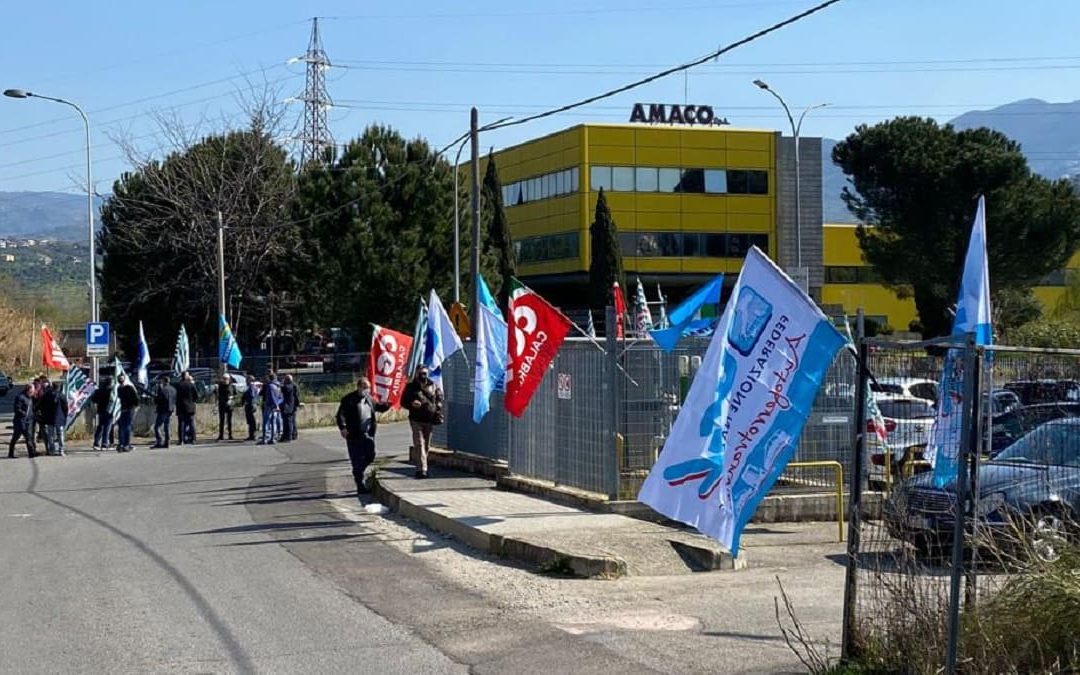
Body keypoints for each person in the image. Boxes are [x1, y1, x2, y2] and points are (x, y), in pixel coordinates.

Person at [336, 377, 390, 498]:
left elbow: (379, 408)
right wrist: (343, 428)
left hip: (368, 434)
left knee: (371, 456)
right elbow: (341, 415)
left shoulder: (370, 399)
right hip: (354, 434)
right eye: (365, 387)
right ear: (359, 387)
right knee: (356, 459)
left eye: (369, 387)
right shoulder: (349, 399)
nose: (367, 390)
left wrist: (388, 404)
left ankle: (358, 471)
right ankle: (360, 484)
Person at [401, 366, 443, 479]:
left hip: (429, 419)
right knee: (419, 444)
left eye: (425, 373)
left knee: (426, 445)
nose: (423, 376)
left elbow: (439, 397)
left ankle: (423, 465)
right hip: (416, 419)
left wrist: (438, 407)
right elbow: (403, 402)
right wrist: (411, 404)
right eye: (421, 373)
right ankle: (422, 469)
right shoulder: (411, 387)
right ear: (416, 373)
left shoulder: (433, 385)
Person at [8, 384, 37, 458]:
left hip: (28, 421)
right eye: (32, 391)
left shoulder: (30, 397)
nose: (33, 392)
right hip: (20, 421)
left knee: (29, 437)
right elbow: (17, 409)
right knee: (15, 437)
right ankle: (11, 453)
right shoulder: (20, 397)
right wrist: (23, 413)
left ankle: (32, 453)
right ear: (29, 390)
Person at [258, 372, 283, 445]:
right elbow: (281, 397)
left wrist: (275, 404)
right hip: (276, 406)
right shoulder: (278, 386)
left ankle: (265, 438)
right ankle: (273, 438)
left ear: (270, 378)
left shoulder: (270, 386)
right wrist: (278, 404)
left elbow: (272, 397)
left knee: (266, 422)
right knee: (274, 422)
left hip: (269, 405)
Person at [91, 377, 115, 451]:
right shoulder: (111, 391)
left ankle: (96, 443)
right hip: (109, 410)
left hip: (100, 410)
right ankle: (104, 443)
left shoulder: (99, 390)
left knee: (100, 427)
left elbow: (93, 399)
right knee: (107, 428)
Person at [117, 374, 139, 452]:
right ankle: (125, 444)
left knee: (123, 427)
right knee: (126, 427)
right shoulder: (127, 388)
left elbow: (135, 399)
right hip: (128, 409)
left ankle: (122, 444)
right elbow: (136, 399)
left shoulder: (121, 388)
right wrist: (135, 407)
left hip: (125, 409)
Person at [152, 375, 176, 449]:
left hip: (163, 410)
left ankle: (160, 441)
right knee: (167, 426)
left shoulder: (163, 390)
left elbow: (159, 400)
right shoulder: (173, 389)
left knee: (157, 426)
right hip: (170, 409)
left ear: (164, 381)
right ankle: (167, 441)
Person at [175, 372, 198, 445]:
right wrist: (192, 401)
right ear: (187, 376)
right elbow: (196, 396)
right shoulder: (191, 385)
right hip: (190, 407)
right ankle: (193, 439)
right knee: (192, 423)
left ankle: (181, 440)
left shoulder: (178, 385)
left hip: (181, 406)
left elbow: (176, 396)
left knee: (181, 424)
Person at [37, 381, 59, 456]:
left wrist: (37, 412)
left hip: (46, 418)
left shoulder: (45, 395)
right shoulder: (58, 395)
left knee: (49, 435)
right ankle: (56, 449)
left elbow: (38, 405)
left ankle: (50, 449)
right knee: (56, 434)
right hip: (56, 417)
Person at [48, 380, 68, 457]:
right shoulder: (62, 396)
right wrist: (65, 415)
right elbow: (65, 407)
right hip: (59, 418)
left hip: (50, 418)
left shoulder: (48, 395)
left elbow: (43, 406)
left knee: (51, 435)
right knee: (60, 434)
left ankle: (52, 450)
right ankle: (61, 450)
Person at [280, 374, 300, 442]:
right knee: (292, 421)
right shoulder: (294, 386)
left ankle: (288, 437)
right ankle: (293, 434)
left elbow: (285, 388)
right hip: (292, 405)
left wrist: (281, 384)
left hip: (289, 406)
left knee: (288, 422)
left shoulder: (289, 386)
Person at [215, 374, 234, 442]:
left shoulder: (231, 386)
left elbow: (234, 394)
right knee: (221, 420)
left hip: (229, 405)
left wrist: (231, 398)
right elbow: (218, 395)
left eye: (226, 379)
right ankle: (221, 435)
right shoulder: (221, 386)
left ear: (229, 379)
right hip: (222, 405)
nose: (225, 380)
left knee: (229, 421)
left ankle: (230, 434)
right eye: (224, 379)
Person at [241, 374, 259, 441]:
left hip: (251, 406)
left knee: (252, 421)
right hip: (249, 405)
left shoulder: (252, 387)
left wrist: (249, 403)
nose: (245, 381)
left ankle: (253, 435)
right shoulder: (250, 387)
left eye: (247, 380)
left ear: (250, 380)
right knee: (250, 421)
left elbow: (252, 396)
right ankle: (251, 435)